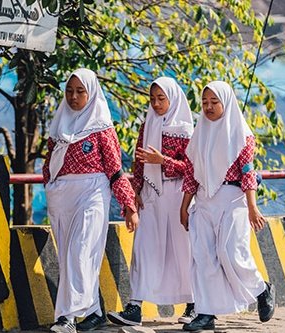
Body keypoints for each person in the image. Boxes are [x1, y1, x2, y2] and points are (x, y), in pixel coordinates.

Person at [43, 68, 139, 333]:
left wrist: (128, 206)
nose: (74, 97)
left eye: (80, 91)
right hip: (63, 199)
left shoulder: (102, 128)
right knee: (70, 257)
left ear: (92, 93)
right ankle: (94, 312)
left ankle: (66, 318)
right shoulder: (59, 124)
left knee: (80, 252)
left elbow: (115, 170)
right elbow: (49, 163)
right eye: (70, 91)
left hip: (92, 195)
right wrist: (51, 186)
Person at [179, 81, 275, 331]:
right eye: (205, 103)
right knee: (203, 256)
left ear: (226, 102)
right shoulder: (198, 135)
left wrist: (252, 207)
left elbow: (247, 172)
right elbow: (191, 173)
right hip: (203, 200)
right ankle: (206, 313)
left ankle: (261, 289)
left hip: (233, 198)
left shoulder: (241, 135)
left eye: (214, 102)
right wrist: (184, 206)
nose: (209, 107)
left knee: (230, 252)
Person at [107, 77, 196, 327]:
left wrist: (164, 161)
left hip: (178, 195)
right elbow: (138, 163)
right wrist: (135, 192)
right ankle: (134, 306)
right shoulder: (147, 126)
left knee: (183, 250)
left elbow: (191, 168)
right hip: (150, 195)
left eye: (161, 98)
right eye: (153, 98)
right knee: (144, 249)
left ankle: (194, 304)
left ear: (173, 99)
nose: (156, 104)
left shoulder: (185, 130)